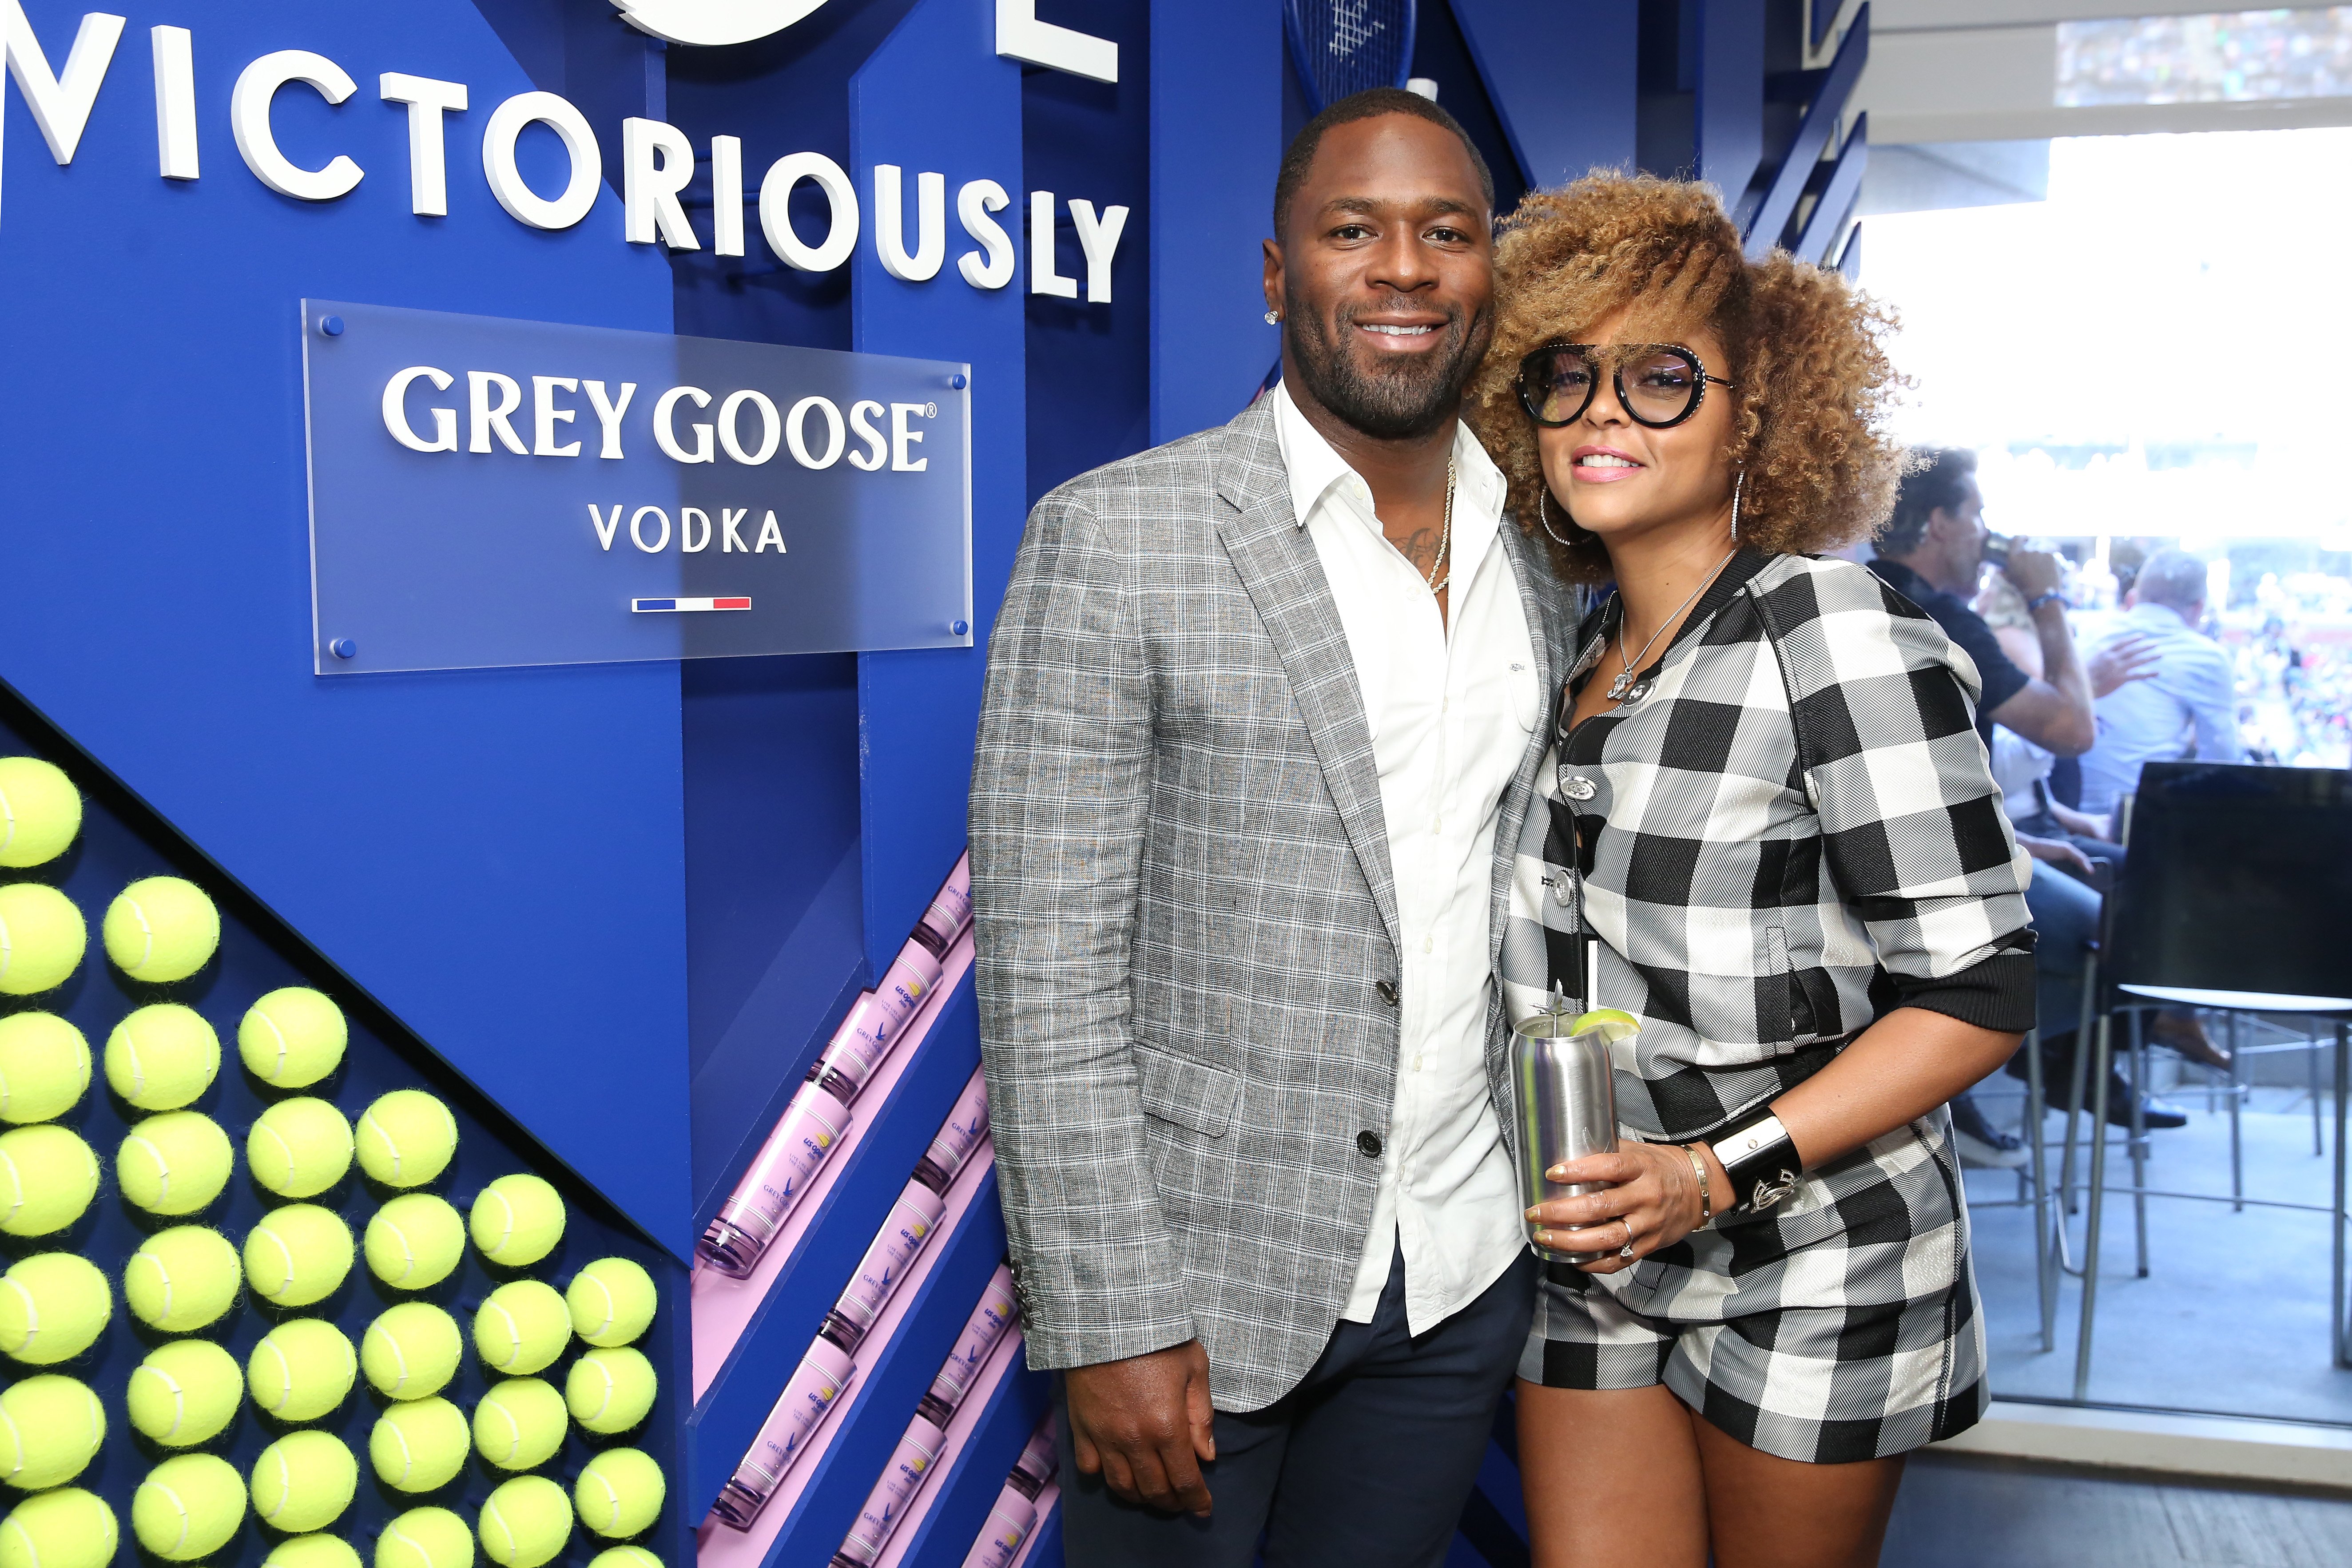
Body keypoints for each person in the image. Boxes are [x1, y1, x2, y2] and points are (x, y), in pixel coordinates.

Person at [970, 87, 1572, 1567]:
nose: (1403, 270)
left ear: (1488, 273)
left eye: (1445, 233)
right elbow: (1044, 970)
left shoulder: (1544, 558)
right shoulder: (1119, 535)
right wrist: (1108, 1314)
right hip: (1198, 1305)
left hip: (1457, 1274)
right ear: (1272, 273)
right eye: (1350, 230)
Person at [1464, 172, 2033, 1568]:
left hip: (1814, 1256)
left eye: (1661, 377)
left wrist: (1713, 1176)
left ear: (1756, 416)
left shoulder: (1832, 632)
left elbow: (1980, 987)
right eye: (1567, 373)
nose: (1603, 409)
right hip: (1590, 1248)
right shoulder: (1560, 655)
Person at [1871, 452, 2190, 1149]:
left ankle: (1995, 1073)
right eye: (1978, 513)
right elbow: (2073, 728)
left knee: (2113, 877)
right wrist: (2047, 599)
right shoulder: (1945, 614)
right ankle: (2003, 1071)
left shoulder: (1857, 591)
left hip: (1904, 851)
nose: (1988, 533)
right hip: (1940, 872)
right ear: (1940, 521)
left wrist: (2015, 836)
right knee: (2109, 924)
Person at [2078, 547, 2245, 814]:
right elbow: (2221, 759)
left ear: (2134, 598)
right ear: (2199, 608)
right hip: (2135, 817)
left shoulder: (2089, 634)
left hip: (2064, 809)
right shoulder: (2207, 657)